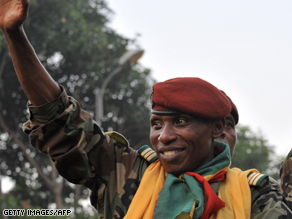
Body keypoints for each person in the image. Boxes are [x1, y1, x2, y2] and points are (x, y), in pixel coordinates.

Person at [1, 1, 292, 218]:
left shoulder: (255, 196)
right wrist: (14, 34)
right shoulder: (128, 174)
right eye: (156, 124)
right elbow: (59, 118)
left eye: (179, 122)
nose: (163, 136)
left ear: (218, 129)